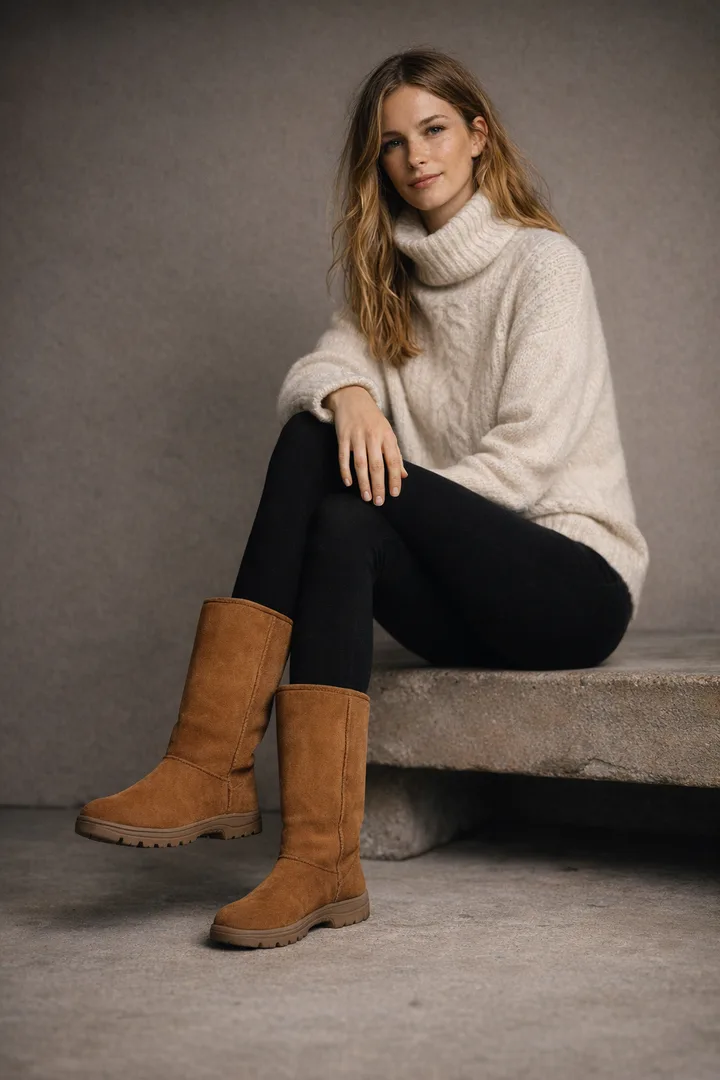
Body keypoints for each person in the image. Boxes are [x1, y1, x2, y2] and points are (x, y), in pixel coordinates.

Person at [74, 48, 649, 950]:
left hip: (568, 586)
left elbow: (527, 465)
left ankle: (212, 760)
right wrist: (346, 393)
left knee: (338, 477)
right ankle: (321, 862)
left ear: (478, 137)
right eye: (392, 143)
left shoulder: (545, 264)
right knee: (335, 482)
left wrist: (388, 488)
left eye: (435, 130)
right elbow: (321, 369)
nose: (416, 156)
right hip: (462, 603)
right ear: (376, 161)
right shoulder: (389, 283)